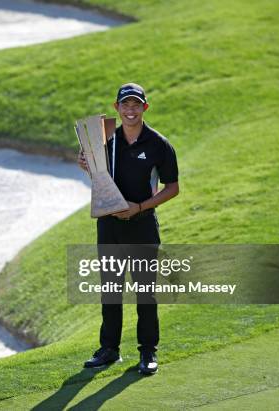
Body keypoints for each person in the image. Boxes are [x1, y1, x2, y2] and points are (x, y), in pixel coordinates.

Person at [77, 83, 179, 375]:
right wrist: (85, 163)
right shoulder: (106, 140)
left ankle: (148, 351)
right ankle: (109, 349)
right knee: (110, 290)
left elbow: (173, 188)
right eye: (125, 105)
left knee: (145, 292)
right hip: (108, 226)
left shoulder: (159, 145)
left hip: (143, 226)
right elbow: (97, 171)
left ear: (145, 108)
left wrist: (140, 207)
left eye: (136, 105)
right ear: (117, 108)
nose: (130, 110)